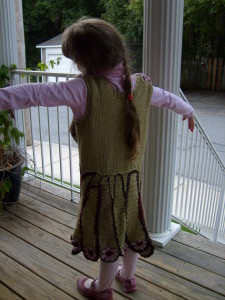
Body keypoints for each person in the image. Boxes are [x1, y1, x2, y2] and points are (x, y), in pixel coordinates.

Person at [0, 18, 195, 300]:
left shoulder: (83, 89)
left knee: (109, 237)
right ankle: (127, 278)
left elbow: (33, 94)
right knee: (129, 227)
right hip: (131, 181)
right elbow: (168, 99)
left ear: (84, 60)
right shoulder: (140, 85)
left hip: (101, 187)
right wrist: (188, 110)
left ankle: (102, 288)